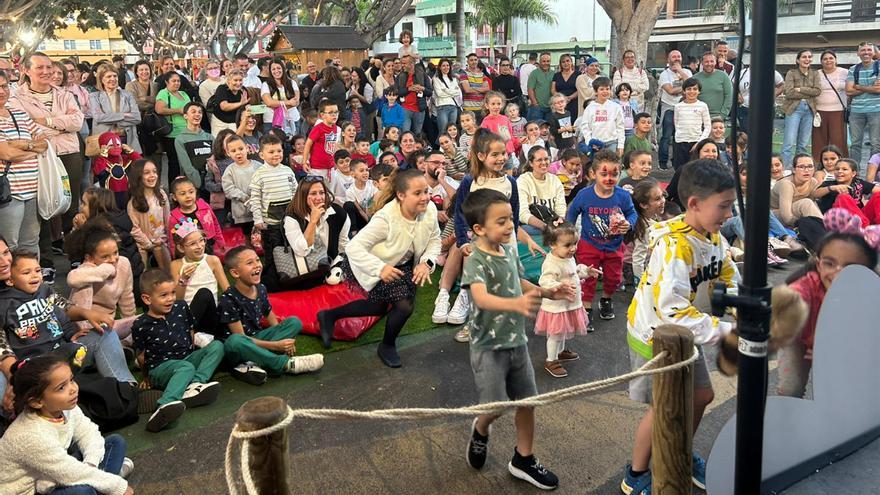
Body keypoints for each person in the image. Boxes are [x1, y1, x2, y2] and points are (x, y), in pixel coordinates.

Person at [622, 159, 740, 494]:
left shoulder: (713, 236)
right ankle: (636, 472)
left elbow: (728, 275)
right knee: (662, 408)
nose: (729, 215)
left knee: (701, 395)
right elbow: (671, 311)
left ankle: (679, 452)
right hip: (654, 337)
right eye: (724, 206)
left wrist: (744, 305)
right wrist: (726, 331)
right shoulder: (674, 247)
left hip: (686, 336)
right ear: (694, 204)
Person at [460, 188, 567, 490]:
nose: (510, 227)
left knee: (527, 402)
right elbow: (480, 298)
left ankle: (524, 458)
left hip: (516, 341)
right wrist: (517, 304)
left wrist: (543, 291)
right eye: (502, 221)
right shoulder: (475, 259)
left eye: (510, 219)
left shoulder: (508, 249)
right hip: (488, 347)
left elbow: (516, 280)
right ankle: (481, 428)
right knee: (495, 406)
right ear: (479, 229)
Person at [317, 169, 440, 367]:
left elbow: (434, 239)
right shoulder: (385, 219)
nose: (425, 197)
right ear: (401, 195)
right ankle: (387, 345)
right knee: (404, 306)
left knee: (380, 306)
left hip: (403, 264)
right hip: (372, 262)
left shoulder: (430, 209)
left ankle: (329, 315)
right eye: (418, 193)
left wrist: (427, 262)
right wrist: (380, 268)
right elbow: (353, 247)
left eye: (426, 191)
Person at [777, 210, 879, 398]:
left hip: (840, 346)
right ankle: (792, 420)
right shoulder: (806, 286)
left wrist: (829, 353)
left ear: (867, 270)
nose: (838, 273)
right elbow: (791, 300)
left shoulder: (870, 295)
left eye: (850, 267)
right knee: (791, 388)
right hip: (799, 337)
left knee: (840, 393)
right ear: (818, 264)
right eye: (830, 263)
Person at [0, 354, 134, 495]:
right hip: (29, 490)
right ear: (37, 402)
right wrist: (118, 487)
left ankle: (101, 483)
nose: (73, 389)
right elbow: (69, 471)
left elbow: (89, 433)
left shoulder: (65, 408)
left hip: (49, 476)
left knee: (114, 443)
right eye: (61, 388)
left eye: (71, 380)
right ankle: (105, 480)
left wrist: (91, 465)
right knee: (82, 491)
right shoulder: (29, 435)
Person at [132, 268, 224, 432]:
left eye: (173, 293)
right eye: (164, 295)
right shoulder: (140, 324)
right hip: (160, 368)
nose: (170, 299)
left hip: (186, 360)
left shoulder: (181, 308)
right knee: (185, 367)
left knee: (216, 346)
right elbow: (141, 355)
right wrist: (146, 377)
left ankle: (194, 385)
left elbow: (190, 331)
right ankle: (164, 405)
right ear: (147, 299)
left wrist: (193, 352)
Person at [218, 246, 323, 385]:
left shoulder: (261, 288)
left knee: (294, 322)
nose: (257, 265)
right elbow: (241, 338)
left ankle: (257, 361)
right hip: (239, 348)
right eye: (250, 263)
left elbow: (270, 315)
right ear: (235, 273)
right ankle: (285, 364)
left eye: (257, 260)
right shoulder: (228, 299)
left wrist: (285, 339)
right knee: (235, 340)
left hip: (257, 339)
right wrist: (276, 346)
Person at [565, 150, 636, 327]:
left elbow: (632, 213)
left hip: (614, 246)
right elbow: (572, 212)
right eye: (603, 174)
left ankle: (606, 299)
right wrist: (569, 234)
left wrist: (629, 223)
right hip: (589, 244)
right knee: (588, 278)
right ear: (593, 174)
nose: (609, 178)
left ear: (620, 173)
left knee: (613, 278)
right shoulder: (584, 195)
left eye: (614, 174)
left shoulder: (623, 196)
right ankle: (586, 307)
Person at [536, 221, 598, 377]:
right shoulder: (551, 263)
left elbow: (574, 272)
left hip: (568, 304)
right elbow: (544, 281)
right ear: (552, 245)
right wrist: (558, 285)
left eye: (575, 243)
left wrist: (585, 271)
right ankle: (551, 360)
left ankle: (560, 352)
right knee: (556, 334)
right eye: (568, 245)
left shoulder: (568, 257)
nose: (573, 248)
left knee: (562, 331)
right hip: (557, 307)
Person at [0, 71, 48, 256]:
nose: (2, 91)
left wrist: (21, 145)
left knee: (30, 243)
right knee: (8, 244)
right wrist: (31, 149)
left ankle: (31, 282)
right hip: (9, 193)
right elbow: (6, 153)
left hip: (33, 189)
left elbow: (44, 143)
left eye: (5, 86)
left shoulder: (20, 114)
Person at [67, 224, 138, 343]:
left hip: (109, 324)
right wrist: (106, 270)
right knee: (84, 285)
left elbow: (127, 298)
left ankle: (126, 344)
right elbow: (72, 279)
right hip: (86, 325)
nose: (113, 259)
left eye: (115, 253)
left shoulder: (123, 263)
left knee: (142, 321)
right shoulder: (87, 269)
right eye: (105, 257)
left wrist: (131, 324)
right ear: (90, 258)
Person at [282, 177, 350, 289]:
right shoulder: (292, 218)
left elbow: (343, 243)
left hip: (331, 260)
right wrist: (313, 221)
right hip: (306, 264)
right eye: (313, 193)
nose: (319, 198)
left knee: (333, 279)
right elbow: (302, 251)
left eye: (322, 193)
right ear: (303, 196)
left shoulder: (339, 213)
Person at [127, 159, 172, 272]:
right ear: (138, 176)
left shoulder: (161, 194)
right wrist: (148, 244)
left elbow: (168, 218)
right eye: (147, 173)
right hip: (143, 243)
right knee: (143, 271)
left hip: (161, 240)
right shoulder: (134, 202)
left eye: (154, 171)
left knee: (167, 269)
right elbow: (134, 228)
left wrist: (168, 237)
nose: (152, 176)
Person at [90, 64, 142, 154]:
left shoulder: (127, 95)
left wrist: (109, 119)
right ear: (101, 79)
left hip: (126, 138)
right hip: (105, 141)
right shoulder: (94, 97)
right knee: (107, 167)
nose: (113, 79)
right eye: (109, 76)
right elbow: (98, 117)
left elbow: (137, 117)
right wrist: (123, 115)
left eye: (115, 76)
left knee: (128, 166)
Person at [782, 50, 822, 167]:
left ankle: (801, 168)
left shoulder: (815, 73)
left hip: (810, 110)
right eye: (804, 57)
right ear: (798, 60)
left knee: (803, 144)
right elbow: (789, 92)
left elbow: (818, 91)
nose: (807, 59)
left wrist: (800, 89)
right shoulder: (791, 73)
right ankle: (785, 169)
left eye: (809, 57)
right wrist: (809, 91)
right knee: (789, 142)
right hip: (794, 109)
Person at [846, 42, 880, 168]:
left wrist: (859, 86)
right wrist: (871, 87)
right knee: (855, 143)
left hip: (876, 110)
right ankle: (855, 173)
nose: (866, 52)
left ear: (873, 53)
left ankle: (874, 173)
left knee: (876, 143)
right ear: (858, 53)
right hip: (856, 111)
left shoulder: (879, 66)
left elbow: (878, 90)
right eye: (863, 50)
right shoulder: (853, 69)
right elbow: (849, 91)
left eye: (868, 50)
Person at [625, 178, 666, 285]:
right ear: (644, 205)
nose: (662, 201)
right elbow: (638, 260)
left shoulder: (648, 218)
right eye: (657, 199)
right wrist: (641, 286)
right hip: (629, 268)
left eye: (662, 196)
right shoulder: (645, 228)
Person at [517, 146, 566, 234]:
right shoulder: (523, 180)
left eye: (546, 159)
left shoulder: (555, 180)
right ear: (531, 163)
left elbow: (561, 209)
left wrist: (559, 222)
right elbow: (523, 214)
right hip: (532, 226)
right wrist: (545, 227)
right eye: (539, 160)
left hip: (553, 223)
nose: (544, 163)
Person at [657, 50, 693, 170]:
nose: (676, 58)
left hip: (684, 107)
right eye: (674, 57)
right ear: (668, 60)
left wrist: (680, 71)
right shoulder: (664, 74)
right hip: (669, 107)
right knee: (666, 136)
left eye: (679, 56)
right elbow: (670, 91)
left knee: (680, 135)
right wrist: (685, 89)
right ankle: (662, 162)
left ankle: (676, 161)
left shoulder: (687, 71)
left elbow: (692, 84)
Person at [222, 134, 261, 238]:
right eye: (233, 151)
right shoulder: (229, 170)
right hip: (242, 213)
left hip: (259, 210)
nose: (238, 153)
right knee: (247, 237)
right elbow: (228, 189)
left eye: (240, 149)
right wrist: (244, 197)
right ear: (228, 153)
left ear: (247, 148)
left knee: (262, 236)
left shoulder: (258, 166)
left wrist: (256, 197)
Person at [154, 72, 192, 181]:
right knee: (174, 163)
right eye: (174, 81)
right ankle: (173, 187)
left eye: (178, 81)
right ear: (167, 82)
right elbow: (159, 109)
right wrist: (178, 111)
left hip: (187, 132)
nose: (177, 83)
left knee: (188, 162)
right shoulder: (164, 93)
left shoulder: (184, 94)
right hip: (173, 133)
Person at [578, 77, 625, 155]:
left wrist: (620, 145)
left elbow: (620, 127)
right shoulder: (590, 108)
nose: (605, 92)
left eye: (607, 89)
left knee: (611, 165)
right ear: (596, 91)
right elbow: (585, 127)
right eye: (602, 89)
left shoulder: (616, 107)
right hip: (596, 144)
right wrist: (590, 142)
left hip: (612, 142)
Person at [673, 78, 711, 171]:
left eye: (695, 89)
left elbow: (708, 126)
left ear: (699, 92)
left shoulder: (703, 106)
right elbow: (676, 124)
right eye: (689, 89)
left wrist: (699, 143)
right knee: (679, 170)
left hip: (696, 142)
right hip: (680, 143)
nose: (692, 91)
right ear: (684, 91)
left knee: (695, 170)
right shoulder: (678, 107)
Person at [173, 102, 214, 190]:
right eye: (193, 111)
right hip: (193, 185)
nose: (197, 114)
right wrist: (198, 183)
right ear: (185, 116)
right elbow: (187, 167)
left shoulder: (209, 137)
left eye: (200, 112)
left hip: (211, 182)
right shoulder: (180, 139)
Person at [736, 64, 784, 135]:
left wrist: (773, 95)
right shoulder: (742, 73)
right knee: (746, 135)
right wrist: (738, 94)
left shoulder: (772, 72)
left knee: (764, 134)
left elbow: (782, 85)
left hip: (766, 109)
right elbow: (732, 85)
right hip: (745, 107)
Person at [480, 91, 520, 171]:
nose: (496, 106)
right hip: (495, 156)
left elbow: (511, 136)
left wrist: (518, 142)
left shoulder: (505, 119)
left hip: (508, 154)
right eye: (493, 104)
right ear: (487, 106)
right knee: (497, 177)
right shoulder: (486, 122)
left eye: (498, 104)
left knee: (509, 179)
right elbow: (482, 140)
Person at [303, 99, 342, 180]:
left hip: (330, 167)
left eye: (336, 112)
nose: (334, 115)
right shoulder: (318, 128)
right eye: (330, 112)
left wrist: (335, 162)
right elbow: (308, 144)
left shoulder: (335, 128)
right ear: (322, 115)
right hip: (317, 168)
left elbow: (334, 147)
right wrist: (304, 161)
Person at [261, 58, 300, 135]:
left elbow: (295, 102)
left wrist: (276, 104)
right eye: (273, 69)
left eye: (279, 68)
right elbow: (269, 103)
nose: (276, 71)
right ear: (270, 71)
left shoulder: (292, 83)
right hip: (272, 121)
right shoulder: (266, 85)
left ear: (283, 69)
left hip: (292, 119)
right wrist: (288, 102)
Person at [127, 60, 158, 155]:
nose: (144, 72)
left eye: (146, 69)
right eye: (141, 70)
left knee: (154, 151)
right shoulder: (131, 85)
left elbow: (160, 101)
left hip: (154, 123)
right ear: (136, 72)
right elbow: (134, 104)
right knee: (139, 151)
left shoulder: (156, 85)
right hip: (138, 122)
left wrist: (145, 98)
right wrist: (153, 102)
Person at [396, 54, 431, 135]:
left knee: (418, 134)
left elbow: (430, 92)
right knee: (405, 133)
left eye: (404, 63)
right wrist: (409, 89)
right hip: (405, 109)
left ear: (412, 64)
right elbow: (396, 92)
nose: (402, 65)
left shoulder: (423, 75)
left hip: (419, 109)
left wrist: (422, 89)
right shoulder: (400, 76)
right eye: (402, 63)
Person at [693, 52, 732, 119]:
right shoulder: (695, 78)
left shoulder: (723, 76)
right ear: (702, 63)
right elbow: (691, 97)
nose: (709, 64)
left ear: (715, 62)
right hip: (699, 117)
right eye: (706, 62)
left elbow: (729, 95)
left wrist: (723, 114)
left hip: (718, 117)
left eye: (712, 61)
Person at [210, 68, 248, 135]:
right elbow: (224, 106)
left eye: (240, 80)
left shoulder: (243, 90)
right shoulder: (222, 89)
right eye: (235, 80)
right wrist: (240, 103)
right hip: (220, 122)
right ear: (229, 80)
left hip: (235, 122)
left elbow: (246, 105)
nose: (238, 83)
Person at [344, 159, 377, 233]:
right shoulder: (350, 191)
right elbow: (359, 210)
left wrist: (372, 223)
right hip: (361, 218)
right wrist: (368, 222)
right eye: (362, 171)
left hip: (374, 215)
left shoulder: (373, 184)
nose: (365, 173)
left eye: (367, 170)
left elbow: (375, 205)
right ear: (353, 174)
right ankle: (353, 232)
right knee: (348, 205)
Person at [433, 58, 462, 138]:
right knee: (443, 131)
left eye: (447, 65)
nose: (446, 67)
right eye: (443, 66)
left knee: (452, 131)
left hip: (453, 106)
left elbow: (457, 92)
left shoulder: (454, 79)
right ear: (439, 67)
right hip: (442, 106)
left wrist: (446, 90)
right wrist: (451, 91)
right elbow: (439, 94)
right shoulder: (436, 79)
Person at [460, 53, 490, 122]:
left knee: (480, 131)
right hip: (468, 108)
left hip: (481, 108)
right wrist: (481, 89)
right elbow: (467, 90)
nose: (474, 62)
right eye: (471, 60)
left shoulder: (482, 74)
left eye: (475, 60)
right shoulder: (463, 73)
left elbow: (487, 89)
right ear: (467, 62)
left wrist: (472, 88)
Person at [527, 53, 554, 121]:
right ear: (539, 62)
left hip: (550, 107)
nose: (546, 63)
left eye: (548, 61)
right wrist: (535, 103)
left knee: (548, 129)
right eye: (543, 61)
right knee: (537, 128)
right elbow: (530, 89)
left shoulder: (554, 73)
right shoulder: (534, 73)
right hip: (537, 108)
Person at [551, 54, 579, 118]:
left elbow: (580, 90)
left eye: (567, 61)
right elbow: (553, 90)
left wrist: (569, 98)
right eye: (563, 62)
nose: (566, 63)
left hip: (574, 103)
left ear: (571, 62)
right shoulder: (556, 75)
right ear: (560, 64)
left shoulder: (578, 74)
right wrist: (562, 99)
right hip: (560, 104)